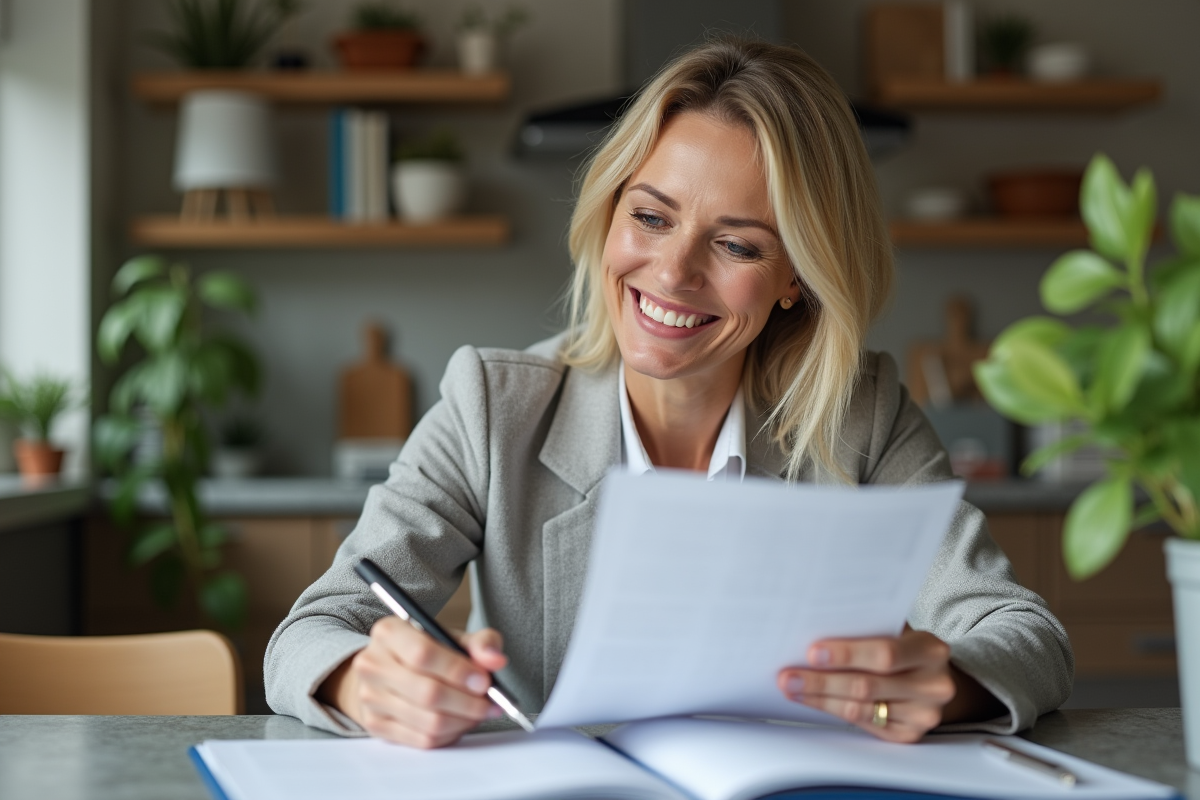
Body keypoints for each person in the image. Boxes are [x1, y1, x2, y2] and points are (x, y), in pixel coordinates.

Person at [264, 39, 1073, 749]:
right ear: (609, 214)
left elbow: (1025, 633)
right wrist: (362, 680)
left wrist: (950, 682)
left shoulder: (861, 415)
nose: (675, 272)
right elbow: (314, 629)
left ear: (797, 275)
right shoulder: (493, 406)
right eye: (651, 217)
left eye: (734, 244)